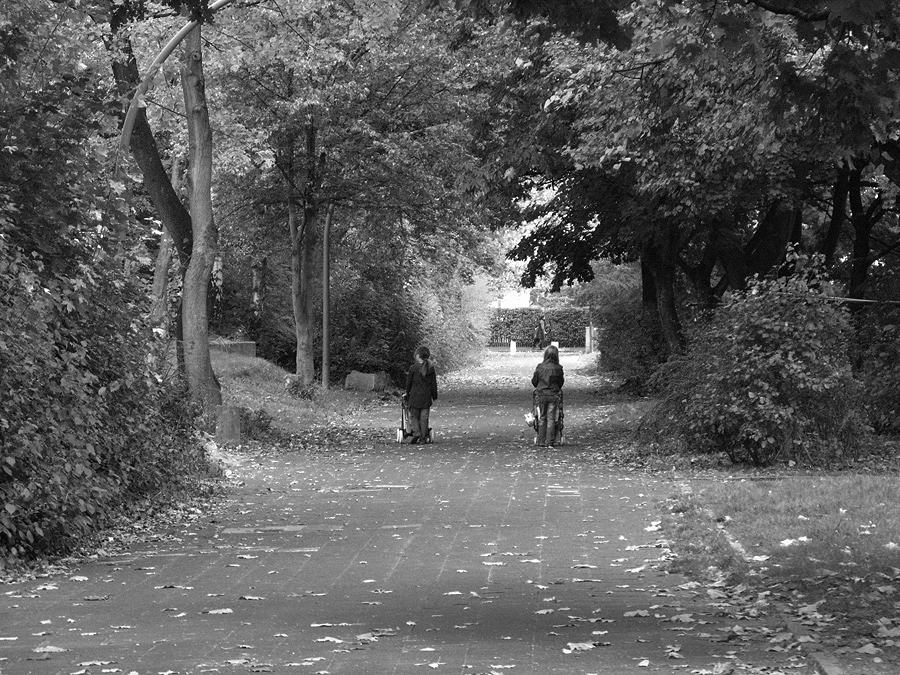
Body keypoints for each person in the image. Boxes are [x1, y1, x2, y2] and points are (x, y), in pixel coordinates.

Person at [403, 346, 438, 444]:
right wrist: (434, 396)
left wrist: (407, 392)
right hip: (426, 397)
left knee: (413, 416)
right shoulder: (431, 369)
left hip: (414, 396)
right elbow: (433, 384)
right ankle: (423, 438)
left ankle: (417, 432)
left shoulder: (413, 368)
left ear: (417, 355)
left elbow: (409, 383)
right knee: (424, 418)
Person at [531, 344, 564, 447]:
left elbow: (534, 381)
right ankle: (550, 441)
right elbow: (560, 383)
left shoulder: (540, 367)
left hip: (541, 394)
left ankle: (541, 440)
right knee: (551, 418)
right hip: (553, 395)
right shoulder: (558, 368)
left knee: (542, 417)